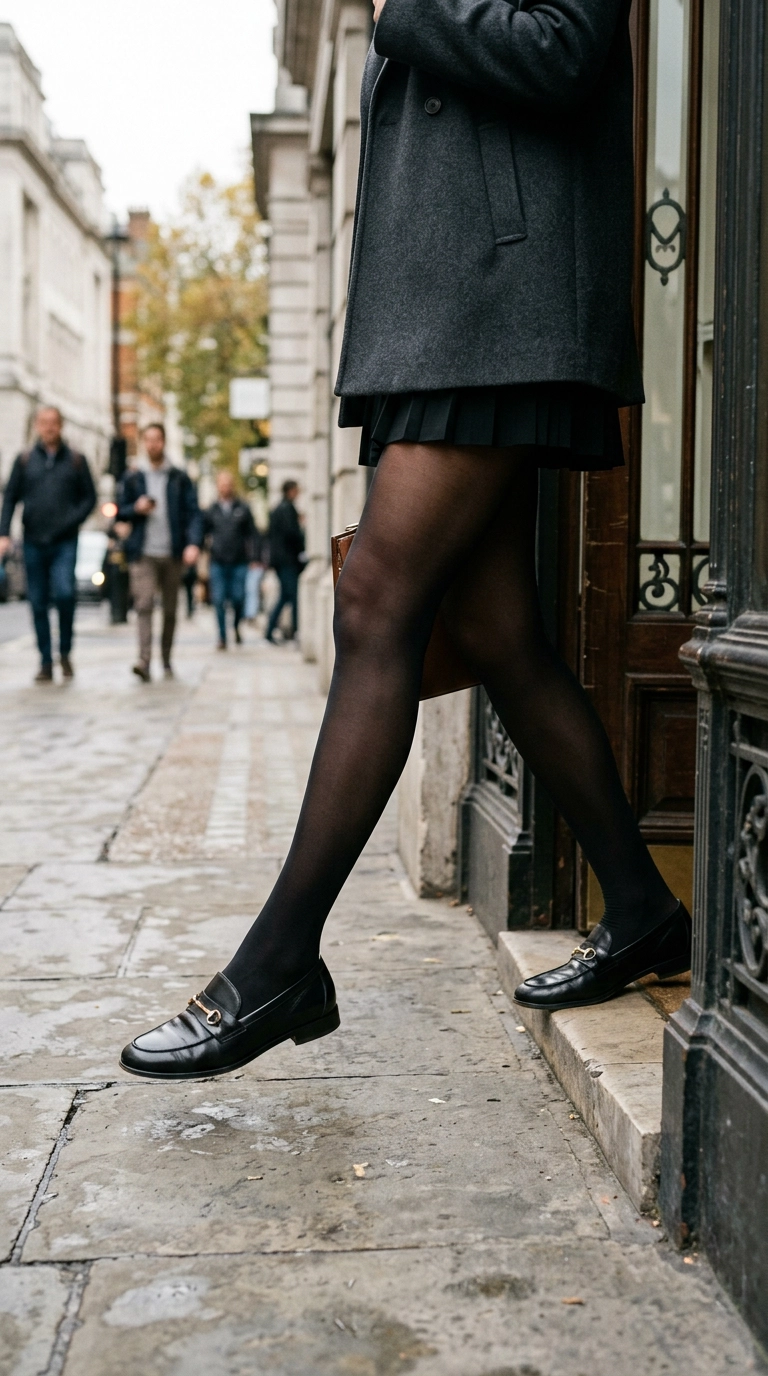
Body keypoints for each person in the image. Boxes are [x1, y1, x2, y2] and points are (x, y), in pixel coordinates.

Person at [121, 0, 691, 1079]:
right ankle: (645, 903)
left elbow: (567, 50)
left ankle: (281, 957)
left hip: (499, 302)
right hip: (450, 312)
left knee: (376, 599)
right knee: (500, 634)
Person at [0, 406, 96, 683]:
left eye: (53, 423)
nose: (48, 428)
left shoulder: (77, 460)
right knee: (38, 601)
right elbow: (10, 498)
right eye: (43, 423)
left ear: (61, 426)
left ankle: (64, 650)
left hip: (65, 540)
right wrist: (4, 533)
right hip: (33, 540)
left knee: (65, 594)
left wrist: (72, 520)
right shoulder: (25, 460)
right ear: (37, 426)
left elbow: (89, 499)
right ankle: (45, 660)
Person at [117, 422, 201, 681]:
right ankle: (144, 659)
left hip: (172, 552)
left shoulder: (178, 476)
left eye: (157, 440)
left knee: (170, 609)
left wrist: (193, 543)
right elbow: (119, 509)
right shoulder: (133, 476)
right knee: (143, 605)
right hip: (142, 552)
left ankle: (165, 658)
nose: (153, 444)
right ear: (144, 443)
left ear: (163, 442)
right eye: (149, 440)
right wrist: (136, 508)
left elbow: (193, 512)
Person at [202, 470, 259, 649]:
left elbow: (253, 534)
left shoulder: (243, 508)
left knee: (238, 598)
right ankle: (222, 636)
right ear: (218, 486)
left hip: (239, 562)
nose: (225, 487)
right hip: (217, 561)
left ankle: (235, 627)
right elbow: (202, 533)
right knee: (218, 600)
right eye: (222, 484)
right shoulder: (212, 510)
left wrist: (255, 557)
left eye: (228, 484)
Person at [264, 480, 305, 643]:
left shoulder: (278, 509)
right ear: (290, 491)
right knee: (291, 595)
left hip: (281, 559)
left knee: (286, 595)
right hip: (287, 560)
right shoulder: (287, 509)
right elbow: (291, 534)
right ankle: (293, 630)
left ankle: (271, 630)